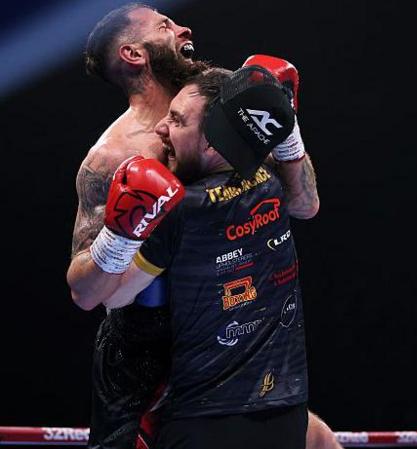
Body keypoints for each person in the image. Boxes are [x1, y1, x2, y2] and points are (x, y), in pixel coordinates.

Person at [68, 4, 339, 449]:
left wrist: (286, 128)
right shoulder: (111, 159)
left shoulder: (226, 107)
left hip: (244, 334)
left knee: (316, 438)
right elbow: (88, 292)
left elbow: (304, 205)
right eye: (164, 25)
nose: (182, 27)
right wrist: (120, 236)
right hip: (156, 356)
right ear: (134, 53)